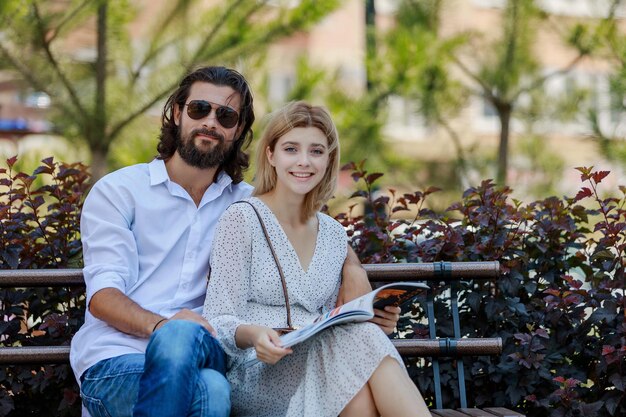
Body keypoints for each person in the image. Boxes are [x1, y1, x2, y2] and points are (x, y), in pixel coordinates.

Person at [70, 66, 374, 417]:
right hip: (119, 361)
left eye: (226, 115)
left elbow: (309, 224)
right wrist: (164, 326)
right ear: (177, 113)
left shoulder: (248, 206)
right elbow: (104, 297)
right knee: (211, 387)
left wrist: (351, 265)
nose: (211, 122)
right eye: (200, 109)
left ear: (239, 130)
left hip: (207, 350)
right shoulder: (119, 191)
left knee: (202, 366)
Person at [203, 101, 431, 417]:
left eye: (316, 151)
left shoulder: (334, 233)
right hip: (260, 370)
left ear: (328, 160)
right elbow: (218, 318)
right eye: (291, 149)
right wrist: (256, 335)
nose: (304, 162)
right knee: (359, 349)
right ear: (271, 154)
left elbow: (337, 320)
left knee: (360, 385)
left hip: (324, 366)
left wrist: (378, 317)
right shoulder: (242, 219)